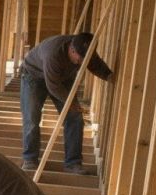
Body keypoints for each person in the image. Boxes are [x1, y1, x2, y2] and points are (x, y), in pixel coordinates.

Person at [20, 32, 112, 175]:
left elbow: (95, 65)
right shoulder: (53, 53)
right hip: (34, 75)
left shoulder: (85, 51)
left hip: (63, 78)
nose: (82, 63)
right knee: (31, 117)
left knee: (75, 117)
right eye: (80, 59)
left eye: (85, 59)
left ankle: (73, 163)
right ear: (72, 50)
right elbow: (53, 86)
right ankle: (30, 159)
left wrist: (110, 76)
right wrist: (71, 103)